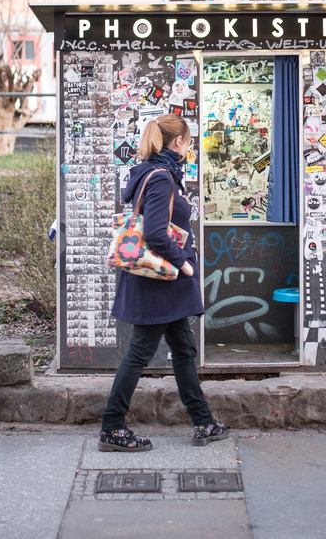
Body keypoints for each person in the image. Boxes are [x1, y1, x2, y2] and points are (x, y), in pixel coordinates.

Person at [99, 113, 229, 452]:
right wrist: (184, 263)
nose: (189, 147)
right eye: (188, 141)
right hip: (159, 282)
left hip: (161, 285)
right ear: (177, 142)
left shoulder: (154, 173)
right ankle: (112, 427)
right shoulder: (161, 179)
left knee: (184, 349)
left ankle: (203, 422)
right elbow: (156, 233)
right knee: (140, 352)